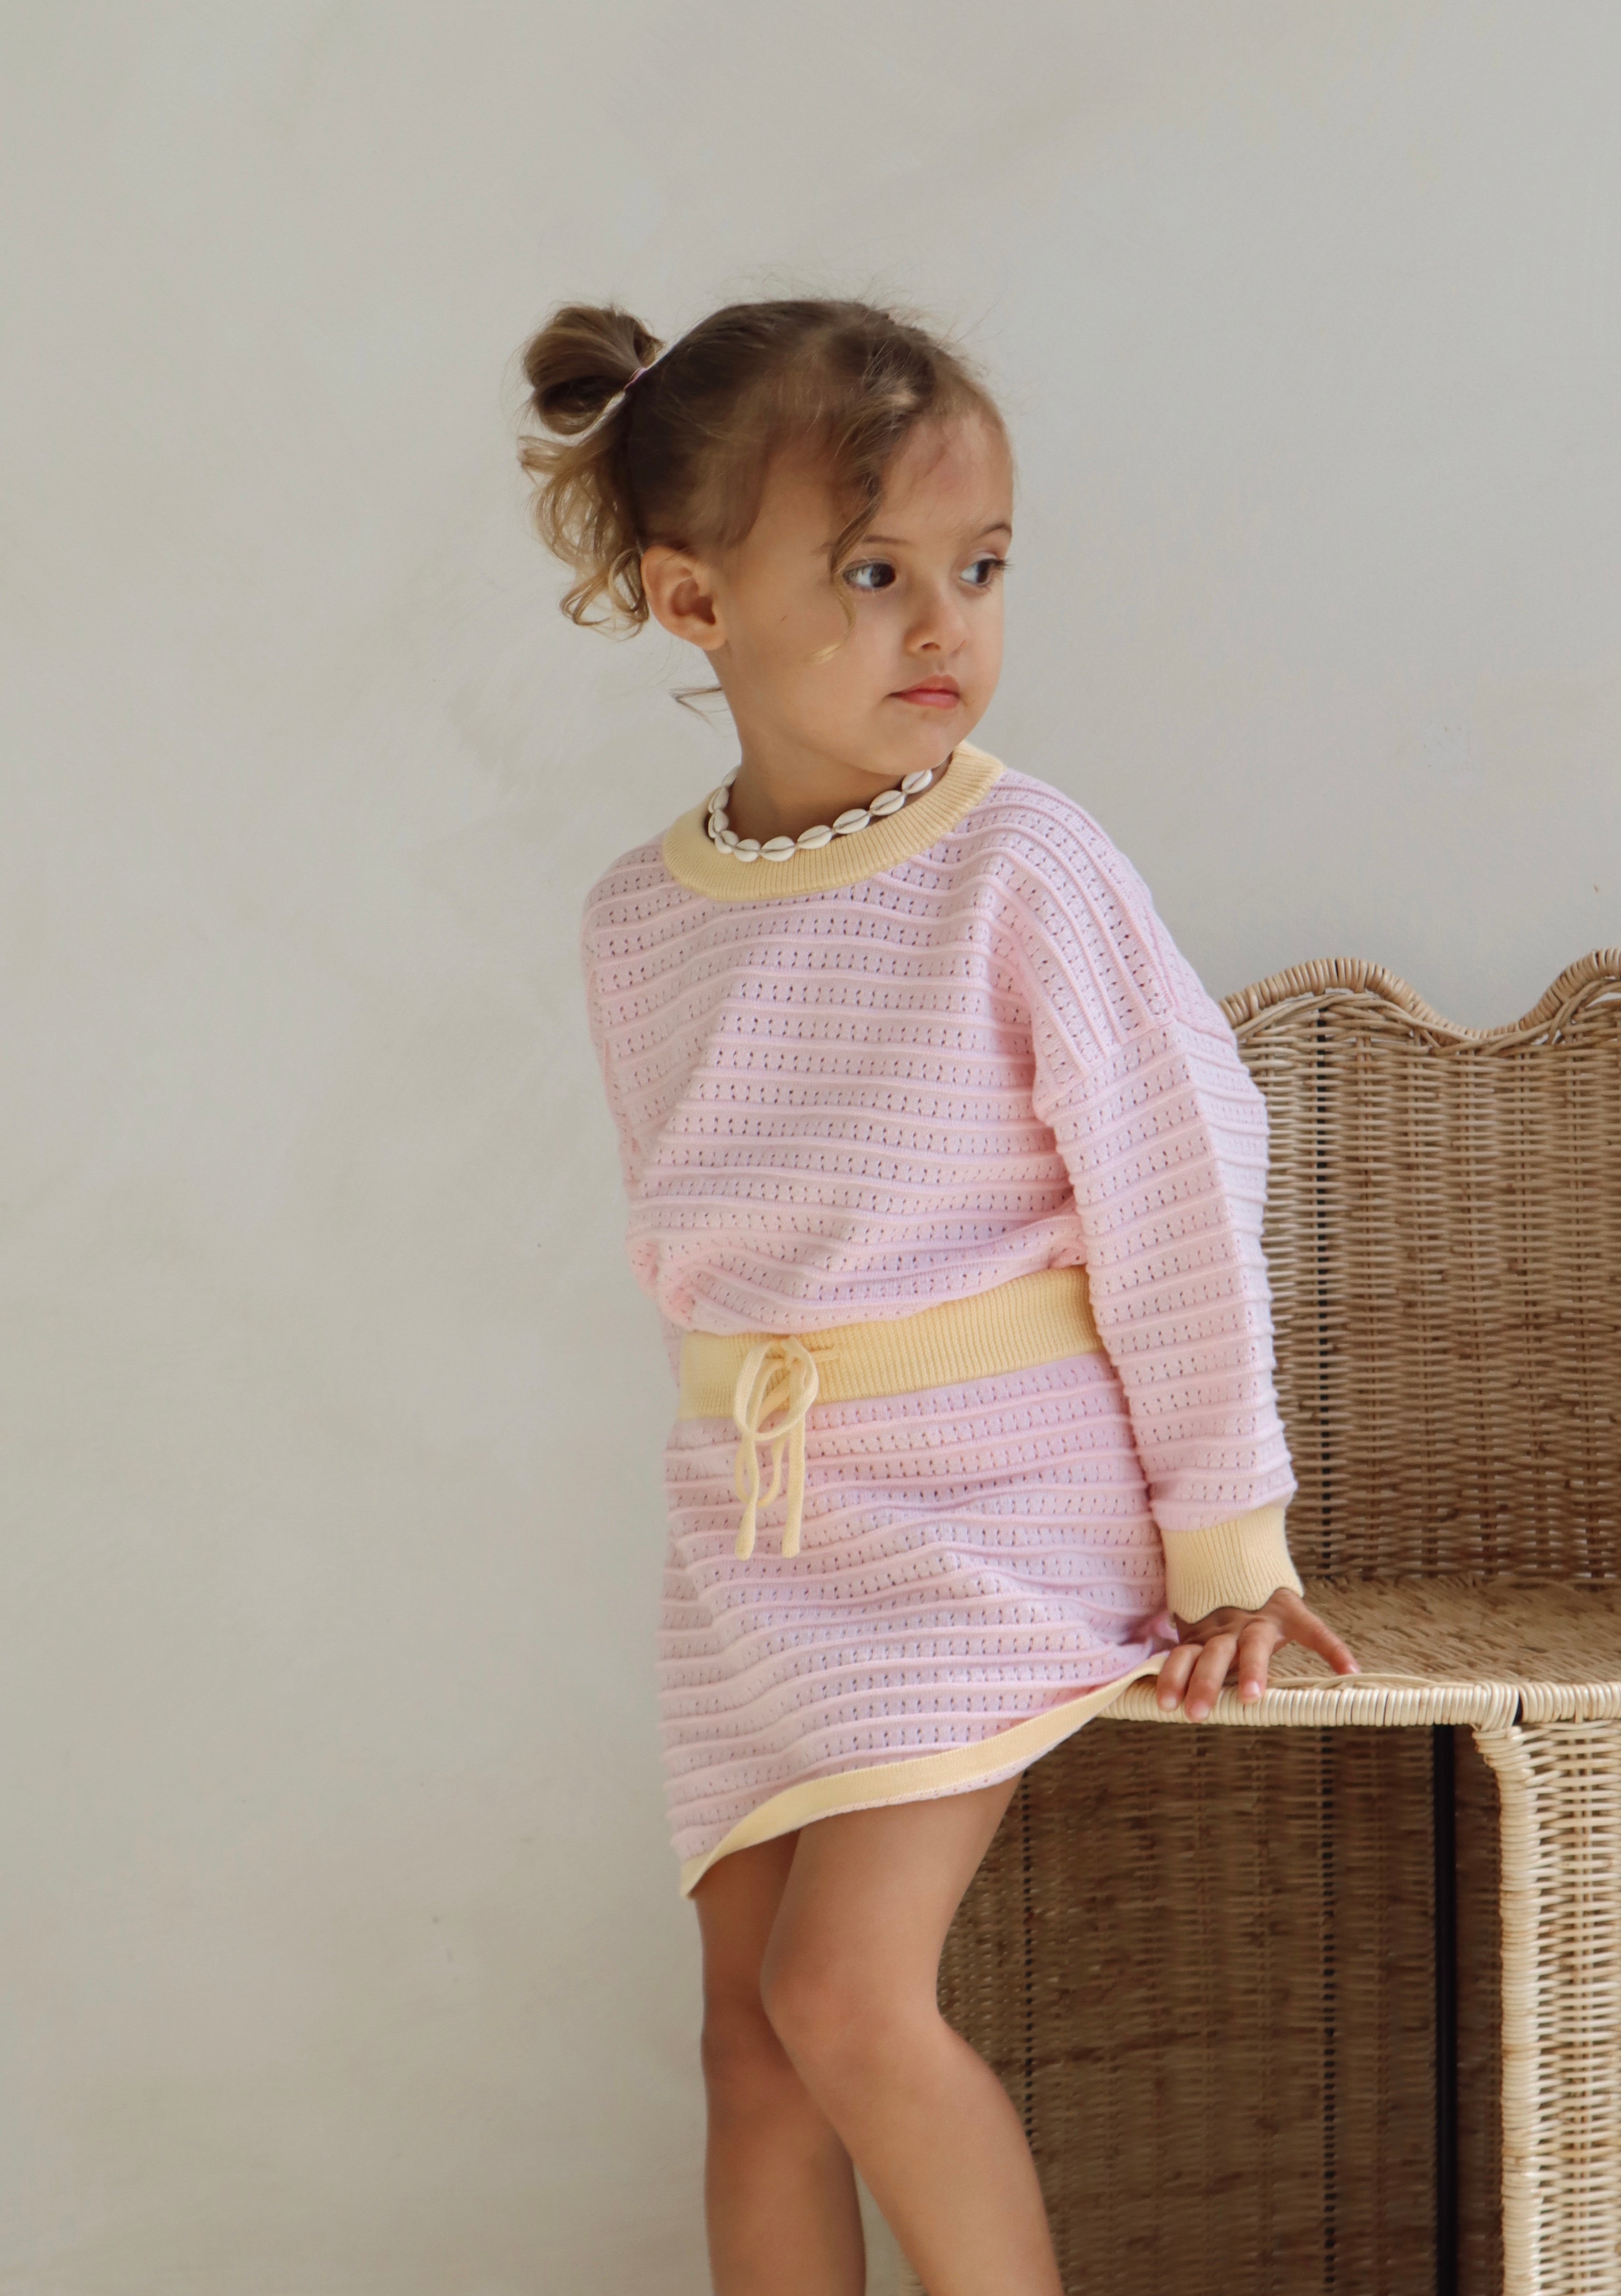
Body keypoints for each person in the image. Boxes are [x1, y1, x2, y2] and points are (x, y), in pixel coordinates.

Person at [521, 297, 1360, 2296]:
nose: (943, 627)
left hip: (994, 1505)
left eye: (979, 569)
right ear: (692, 601)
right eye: (872, 574)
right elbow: (711, 1251)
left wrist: (1226, 1548)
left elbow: (1176, 1196)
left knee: (843, 1994)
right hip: (760, 1526)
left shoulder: (1022, 865)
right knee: (748, 2044)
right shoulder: (641, 919)